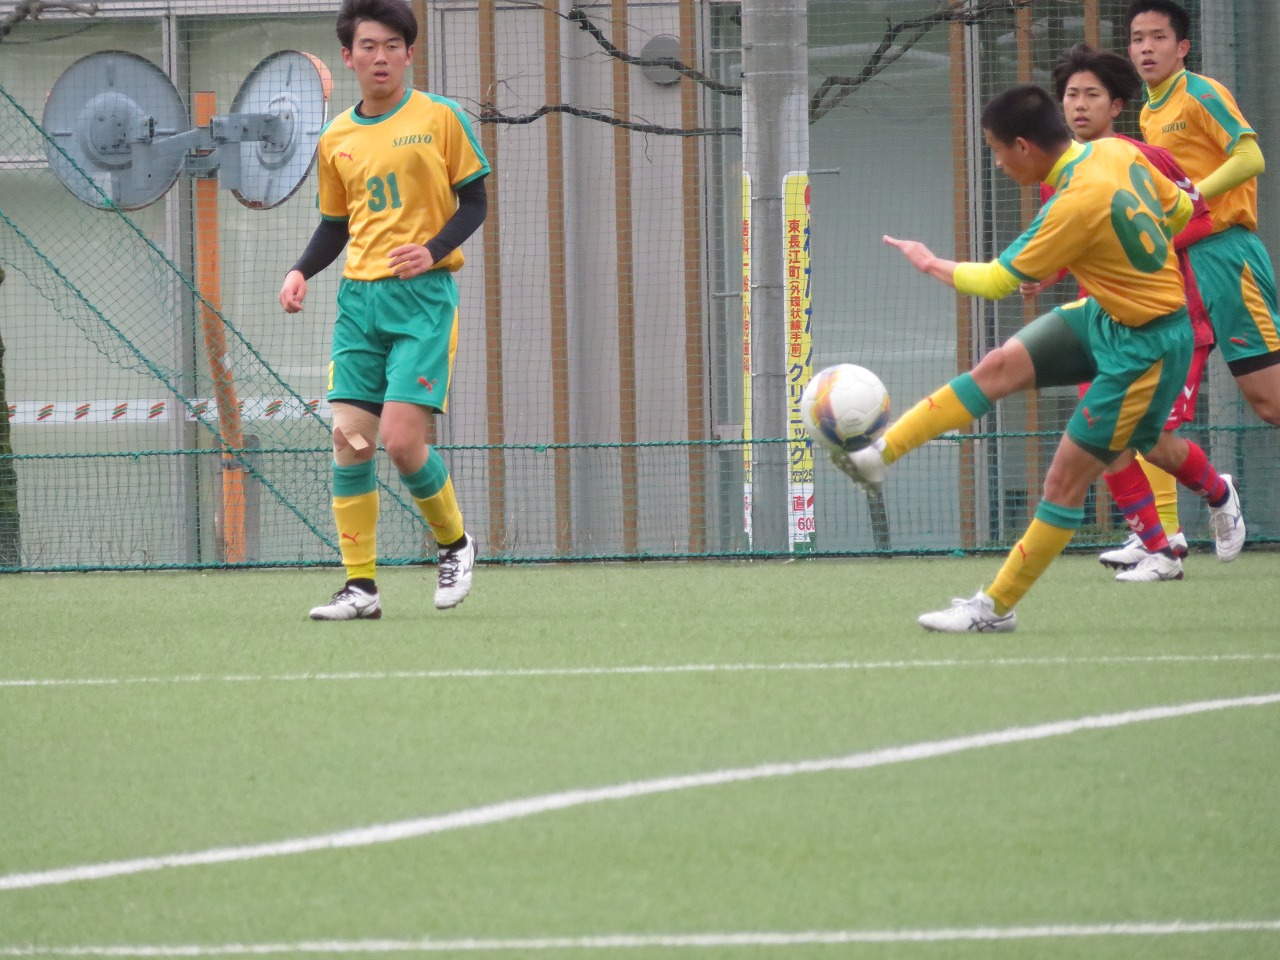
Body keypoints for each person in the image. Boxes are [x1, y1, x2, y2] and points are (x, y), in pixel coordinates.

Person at [838, 83, 1200, 632]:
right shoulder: (1115, 150)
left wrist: (928, 261)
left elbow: (995, 282)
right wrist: (1124, 264)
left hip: (1146, 346)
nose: (998, 163)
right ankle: (880, 453)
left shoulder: (1072, 204)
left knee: (1063, 484)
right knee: (997, 366)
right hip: (1109, 314)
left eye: (996, 150)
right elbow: (1179, 208)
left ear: (1024, 146)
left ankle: (994, 610)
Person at [279, 0, 490, 620]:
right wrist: (300, 270)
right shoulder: (335, 137)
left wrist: (433, 250)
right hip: (358, 302)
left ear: (409, 54)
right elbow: (335, 225)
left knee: (400, 442)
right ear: (348, 57)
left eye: (393, 45)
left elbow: (475, 202)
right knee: (350, 442)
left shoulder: (441, 117)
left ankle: (455, 544)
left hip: (423, 300)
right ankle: (360, 588)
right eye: (368, 46)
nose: (381, 56)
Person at [1026, 43, 1243, 582]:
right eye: (1070, 95)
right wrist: (1042, 274)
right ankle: (1158, 546)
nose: (1079, 105)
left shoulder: (1147, 158)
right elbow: (1065, 244)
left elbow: (1200, 215)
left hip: (1170, 321)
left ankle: (1217, 492)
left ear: (1117, 106)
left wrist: (1143, 245)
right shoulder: (1059, 174)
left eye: (1091, 95)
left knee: (1152, 440)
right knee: (1102, 432)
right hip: (1104, 324)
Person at [1126, 0, 1280, 427]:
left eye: (1159, 37)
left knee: (1273, 402)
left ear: (1183, 47)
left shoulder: (1200, 92)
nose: (1146, 47)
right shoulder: (1148, 112)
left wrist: (1189, 198)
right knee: (1156, 412)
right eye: (1137, 39)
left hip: (1227, 255)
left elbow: (1250, 157)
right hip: (1184, 262)